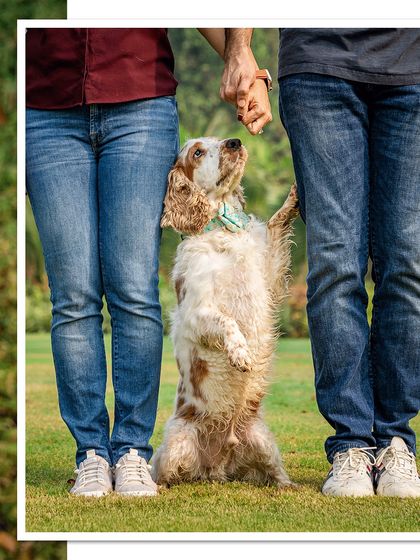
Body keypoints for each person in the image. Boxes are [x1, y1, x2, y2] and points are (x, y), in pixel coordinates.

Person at [26, 28, 271, 497]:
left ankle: (133, 452)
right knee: (73, 296)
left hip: (139, 101)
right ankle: (93, 455)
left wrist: (244, 62)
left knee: (134, 292)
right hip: (45, 109)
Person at [221, 28, 420, 497]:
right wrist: (241, 48)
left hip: (412, 68)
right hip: (318, 63)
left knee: (407, 264)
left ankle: (395, 442)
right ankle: (351, 444)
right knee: (336, 264)